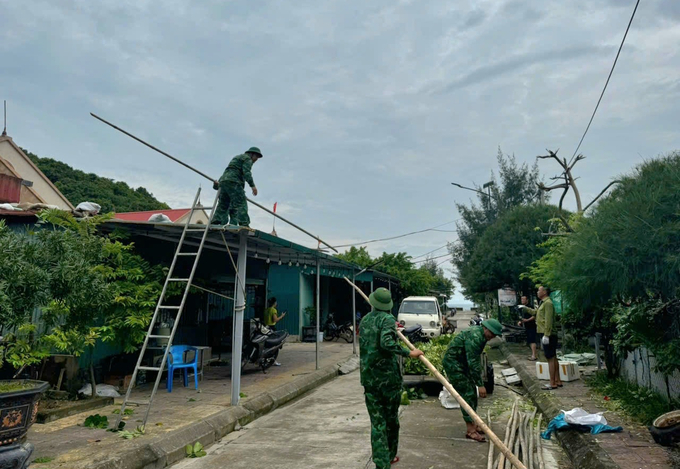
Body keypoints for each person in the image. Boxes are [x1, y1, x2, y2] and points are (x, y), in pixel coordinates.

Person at [360, 287, 423, 469]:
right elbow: (386, 343)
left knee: (377, 422)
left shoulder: (364, 320)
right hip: (387, 380)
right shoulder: (387, 319)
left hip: (369, 378)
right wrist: (408, 352)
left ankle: (381, 462)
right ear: (387, 305)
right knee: (391, 420)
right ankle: (389, 455)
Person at [442, 318, 503, 442]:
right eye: (492, 334)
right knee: (467, 394)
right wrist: (480, 385)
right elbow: (473, 362)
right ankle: (471, 430)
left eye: (495, 335)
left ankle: (474, 422)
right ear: (486, 328)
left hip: (462, 364)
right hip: (454, 365)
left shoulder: (482, 336)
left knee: (471, 394)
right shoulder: (475, 337)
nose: (492, 337)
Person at [520, 286, 561, 389]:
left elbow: (548, 320)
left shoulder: (548, 303)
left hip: (548, 334)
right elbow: (536, 313)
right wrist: (524, 308)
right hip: (546, 333)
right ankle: (557, 380)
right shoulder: (542, 302)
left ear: (545, 292)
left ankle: (552, 383)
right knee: (553, 357)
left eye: (539, 290)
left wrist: (547, 335)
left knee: (550, 358)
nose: (538, 292)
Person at [212, 147, 262, 227]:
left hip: (224, 181)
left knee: (223, 204)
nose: (256, 160)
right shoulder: (247, 159)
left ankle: (215, 221)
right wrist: (252, 186)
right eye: (256, 157)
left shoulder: (237, 158)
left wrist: (218, 184)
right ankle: (244, 224)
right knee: (241, 203)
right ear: (252, 154)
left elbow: (228, 171)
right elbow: (247, 172)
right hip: (234, 183)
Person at [263, 297, 286, 366]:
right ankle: (273, 359)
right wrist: (282, 316)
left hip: (265, 328)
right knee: (275, 345)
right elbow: (275, 320)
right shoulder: (273, 310)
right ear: (275, 303)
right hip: (272, 328)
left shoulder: (266, 310)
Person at [517, 295, 538, 361]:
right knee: (529, 341)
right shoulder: (522, 308)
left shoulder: (530, 307)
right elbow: (522, 317)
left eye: (524, 299)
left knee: (532, 340)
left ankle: (534, 355)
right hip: (527, 326)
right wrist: (521, 321)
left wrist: (527, 320)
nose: (522, 300)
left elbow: (535, 315)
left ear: (527, 300)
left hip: (531, 325)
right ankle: (533, 354)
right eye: (521, 299)